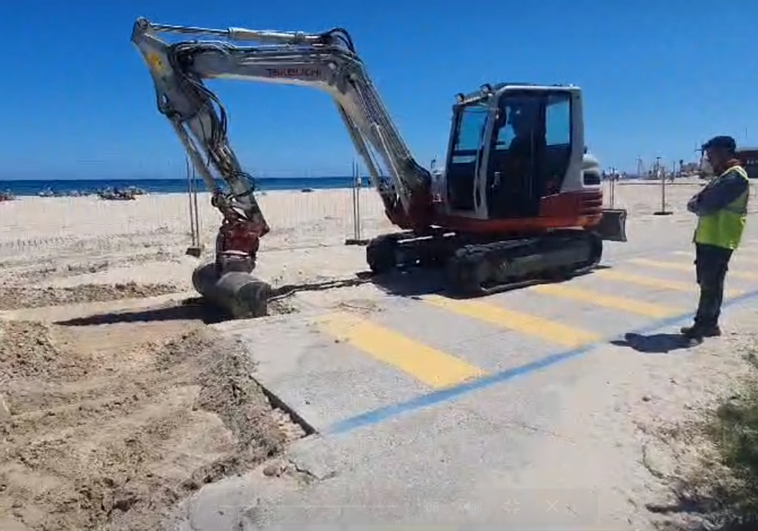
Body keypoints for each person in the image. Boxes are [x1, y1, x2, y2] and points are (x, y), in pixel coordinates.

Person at [681, 135, 750, 343]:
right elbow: (699, 201)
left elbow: (705, 205)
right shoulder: (723, 175)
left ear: (724, 152)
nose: (709, 158)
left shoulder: (734, 177)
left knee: (711, 284)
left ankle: (705, 325)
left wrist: (697, 203)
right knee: (708, 282)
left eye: (711, 153)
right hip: (711, 237)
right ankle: (707, 324)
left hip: (720, 238)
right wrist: (697, 202)